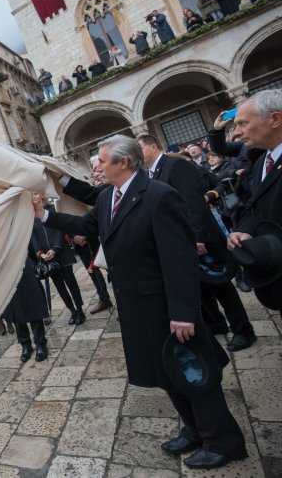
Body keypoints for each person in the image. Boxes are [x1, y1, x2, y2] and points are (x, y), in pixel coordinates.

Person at [38, 135, 246, 470]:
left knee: (194, 372)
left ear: (123, 163)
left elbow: (179, 261)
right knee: (167, 371)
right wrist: (44, 216)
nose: (97, 167)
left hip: (167, 305)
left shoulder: (159, 196)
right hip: (139, 306)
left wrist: (183, 313)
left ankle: (223, 441)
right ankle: (194, 429)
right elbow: (85, 225)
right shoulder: (109, 197)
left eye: (102, 161)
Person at [138, 135, 256, 351]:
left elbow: (193, 203)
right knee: (199, 286)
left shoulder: (175, 165)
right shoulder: (152, 172)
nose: (138, 154)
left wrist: (199, 237)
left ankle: (243, 330)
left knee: (220, 285)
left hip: (200, 237)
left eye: (140, 149)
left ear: (153, 147)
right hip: (182, 241)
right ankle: (216, 323)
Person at [227, 89, 282, 310]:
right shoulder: (262, 161)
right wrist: (245, 230)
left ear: (275, 119)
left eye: (242, 124)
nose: (236, 133)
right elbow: (253, 205)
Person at [6, 219, 51, 362]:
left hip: (25, 265)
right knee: (16, 309)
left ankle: (40, 343)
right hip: (6, 272)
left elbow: (30, 238)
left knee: (33, 305)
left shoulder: (19, 217)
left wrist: (40, 253)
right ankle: (25, 345)